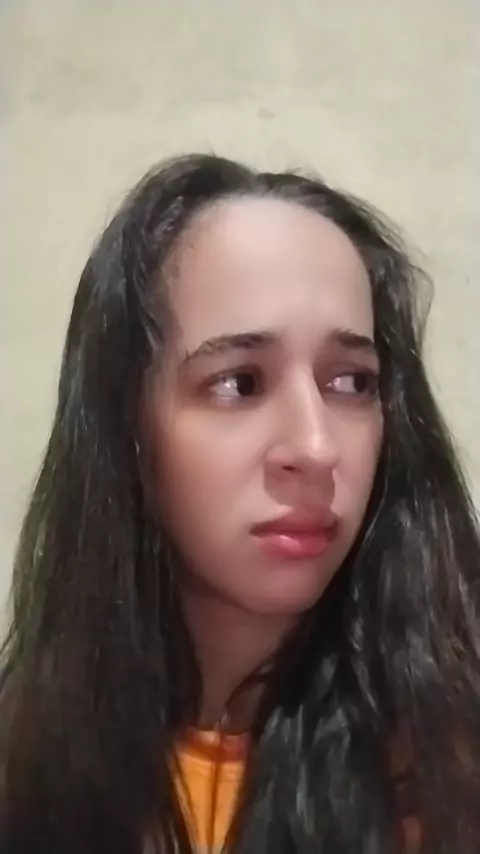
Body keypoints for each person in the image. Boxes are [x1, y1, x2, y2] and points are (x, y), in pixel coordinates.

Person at [1, 154, 479, 854]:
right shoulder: (26, 764)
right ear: (128, 423)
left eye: (352, 382)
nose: (315, 447)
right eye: (239, 384)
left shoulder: (448, 772)